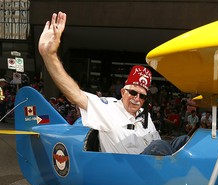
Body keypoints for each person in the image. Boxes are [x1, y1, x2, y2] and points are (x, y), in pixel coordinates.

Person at [39, 12, 186, 155]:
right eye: (133, 92)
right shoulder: (108, 109)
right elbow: (75, 95)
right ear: (123, 91)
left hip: (149, 167)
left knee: (184, 141)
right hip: (129, 171)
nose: (137, 99)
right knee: (159, 146)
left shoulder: (145, 116)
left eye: (142, 96)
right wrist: (49, 55)